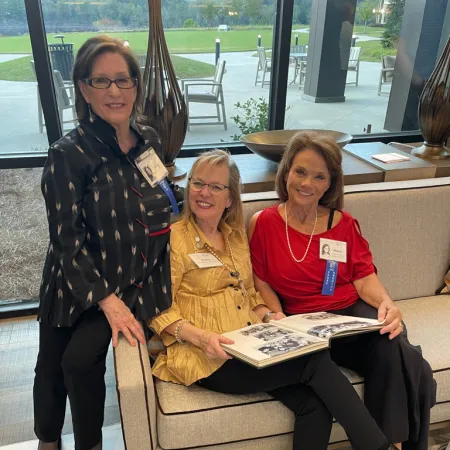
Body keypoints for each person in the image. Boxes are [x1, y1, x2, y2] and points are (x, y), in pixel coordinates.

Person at [150, 149, 398, 450]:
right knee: (314, 361)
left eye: (216, 186)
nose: (204, 193)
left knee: (314, 404)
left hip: (252, 342)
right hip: (209, 356)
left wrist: (271, 317)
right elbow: (157, 308)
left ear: (230, 198)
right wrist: (201, 337)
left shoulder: (235, 236)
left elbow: (250, 293)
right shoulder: (173, 239)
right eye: (197, 183)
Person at [34, 36, 182, 450]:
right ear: (83, 89)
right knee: (50, 368)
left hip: (131, 280)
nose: (114, 92)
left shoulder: (147, 138)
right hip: (74, 283)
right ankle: (48, 440)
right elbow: (65, 240)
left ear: (136, 85)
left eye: (123, 80)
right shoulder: (68, 153)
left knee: (79, 363)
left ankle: (89, 445)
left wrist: (201, 199)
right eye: (101, 82)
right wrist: (107, 301)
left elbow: (164, 194)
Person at [249, 131, 437, 450]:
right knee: (412, 362)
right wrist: (275, 314)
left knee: (393, 344)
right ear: (286, 173)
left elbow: (363, 277)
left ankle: (391, 444)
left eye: (319, 176)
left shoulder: (344, 224)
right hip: (304, 325)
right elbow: (260, 280)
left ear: (330, 183)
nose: (307, 183)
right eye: (301, 171)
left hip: (350, 314)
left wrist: (387, 304)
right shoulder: (263, 223)